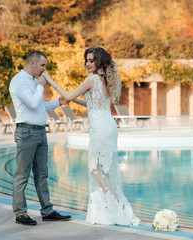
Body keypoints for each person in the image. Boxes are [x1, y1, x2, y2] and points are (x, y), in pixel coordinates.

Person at [42, 47, 141, 226]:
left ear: (99, 62)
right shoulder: (104, 80)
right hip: (109, 126)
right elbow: (92, 103)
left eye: (91, 60)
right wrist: (74, 100)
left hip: (101, 129)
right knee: (103, 170)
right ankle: (115, 204)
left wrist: (50, 81)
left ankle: (116, 204)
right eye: (86, 60)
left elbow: (68, 95)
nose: (87, 63)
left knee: (95, 169)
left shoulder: (92, 79)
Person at [9, 50, 71, 226]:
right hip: (26, 132)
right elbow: (32, 102)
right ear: (32, 63)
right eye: (42, 65)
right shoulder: (18, 81)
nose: (44, 69)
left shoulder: (34, 81)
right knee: (22, 174)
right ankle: (20, 213)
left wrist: (58, 102)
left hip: (40, 132)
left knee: (42, 174)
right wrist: (42, 85)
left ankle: (47, 210)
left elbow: (39, 106)